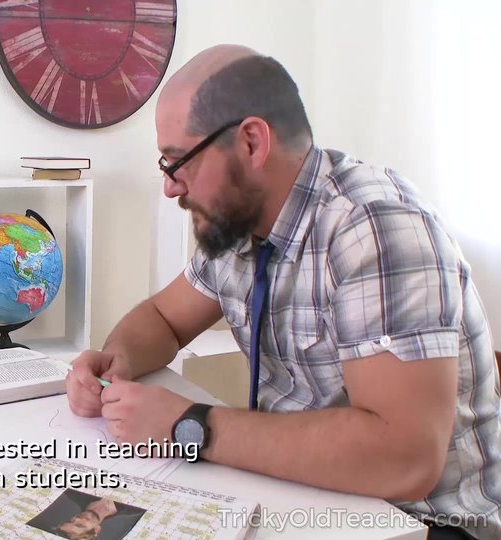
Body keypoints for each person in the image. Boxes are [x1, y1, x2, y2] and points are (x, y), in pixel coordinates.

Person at [65, 45, 500, 540]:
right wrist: (116, 362)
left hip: (421, 523)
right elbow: (163, 319)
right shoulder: (239, 226)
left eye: (177, 162)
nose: (171, 187)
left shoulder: (375, 227)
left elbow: (405, 457)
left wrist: (188, 426)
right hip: (305, 499)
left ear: (251, 143)